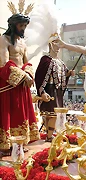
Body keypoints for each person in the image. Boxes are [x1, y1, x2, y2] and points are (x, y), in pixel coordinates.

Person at [0, 8, 39, 155]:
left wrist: (28, 75)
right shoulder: (3, 40)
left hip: (21, 84)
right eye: (21, 26)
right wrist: (23, 76)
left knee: (21, 114)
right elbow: (4, 64)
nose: (23, 29)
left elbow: (27, 62)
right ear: (13, 25)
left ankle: (20, 142)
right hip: (8, 83)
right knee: (10, 113)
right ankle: (7, 144)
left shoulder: (23, 43)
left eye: (25, 26)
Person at [35, 33, 74, 142]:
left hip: (57, 91)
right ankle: (49, 135)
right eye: (56, 42)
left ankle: (49, 135)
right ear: (51, 44)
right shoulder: (45, 60)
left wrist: (69, 74)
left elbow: (63, 75)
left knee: (53, 115)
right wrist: (42, 92)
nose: (58, 46)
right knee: (51, 115)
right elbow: (39, 77)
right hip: (49, 89)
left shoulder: (60, 62)